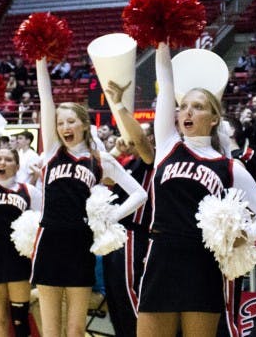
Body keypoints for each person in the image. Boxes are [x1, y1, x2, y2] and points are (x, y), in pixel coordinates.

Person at [137, 43, 256, 337]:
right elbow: (165, 82)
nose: (187, 112)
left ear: (214, 119)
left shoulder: (228, 168)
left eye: (198, 107)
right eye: (184, 106)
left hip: (202, 263)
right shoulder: (167, 146)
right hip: (161, 256)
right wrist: (162, 40)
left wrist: (245, 235)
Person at [33, 55, 148, 337]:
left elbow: (140, 193)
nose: (64, 128)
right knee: (50, 330)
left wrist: (112, 216)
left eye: (70, 121)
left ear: (84, 124)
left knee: (75, 329)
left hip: (81, 245)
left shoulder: (101, 160)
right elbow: (44, 98)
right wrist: (40, 58)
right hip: (48, 242)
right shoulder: (51, 152)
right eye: (60, 123)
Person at [0, 124, 41, 337]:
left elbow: (39, 223)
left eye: (9, 159)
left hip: (18, 257)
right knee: (0, 321)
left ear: (17, 165)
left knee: (20, 320)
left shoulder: (29, 191)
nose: (3, 162)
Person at [100, 81, 155, 337]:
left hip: (135, 234)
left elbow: (142, 142)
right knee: (114, 297)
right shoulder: (129, 162)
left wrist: (120, 105)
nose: (130, 137)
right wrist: (116, 149)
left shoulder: (152, 158)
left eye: (137, 133)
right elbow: (102, 177)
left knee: (129, 293)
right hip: (116, 235)